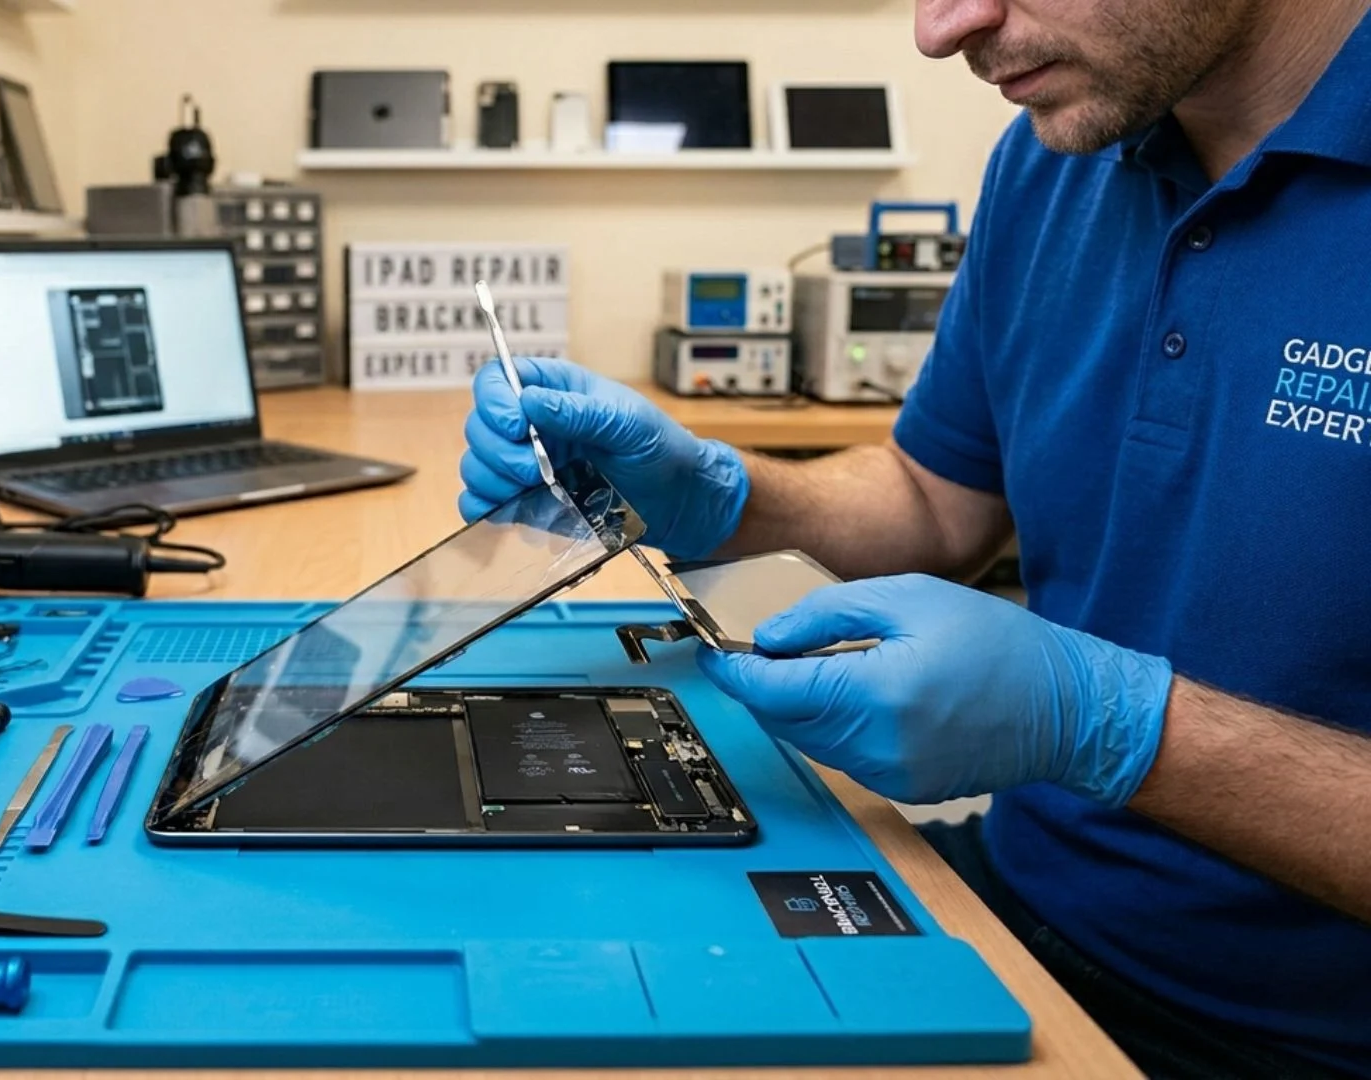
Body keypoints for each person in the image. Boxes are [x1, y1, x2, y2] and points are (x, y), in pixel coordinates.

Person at [460, 1, 1371, 1076]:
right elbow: (941, 503)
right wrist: (716, 495)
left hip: (1296, 1035)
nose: (945, 29)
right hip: (1009, 906)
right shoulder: (1057, 157)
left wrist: (1116, 726)